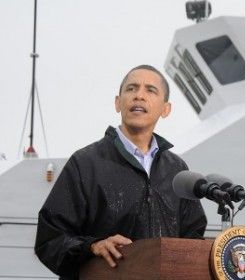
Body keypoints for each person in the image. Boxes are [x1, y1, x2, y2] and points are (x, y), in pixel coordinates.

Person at [34, 65, 207, 279]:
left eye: (150, 90)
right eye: (132, 89)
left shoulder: (177, 170)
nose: (139, 96)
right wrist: (92, 247)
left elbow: (192, 240)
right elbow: (49, 240)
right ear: (118, 103)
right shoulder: (86, 163)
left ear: (166, 109)